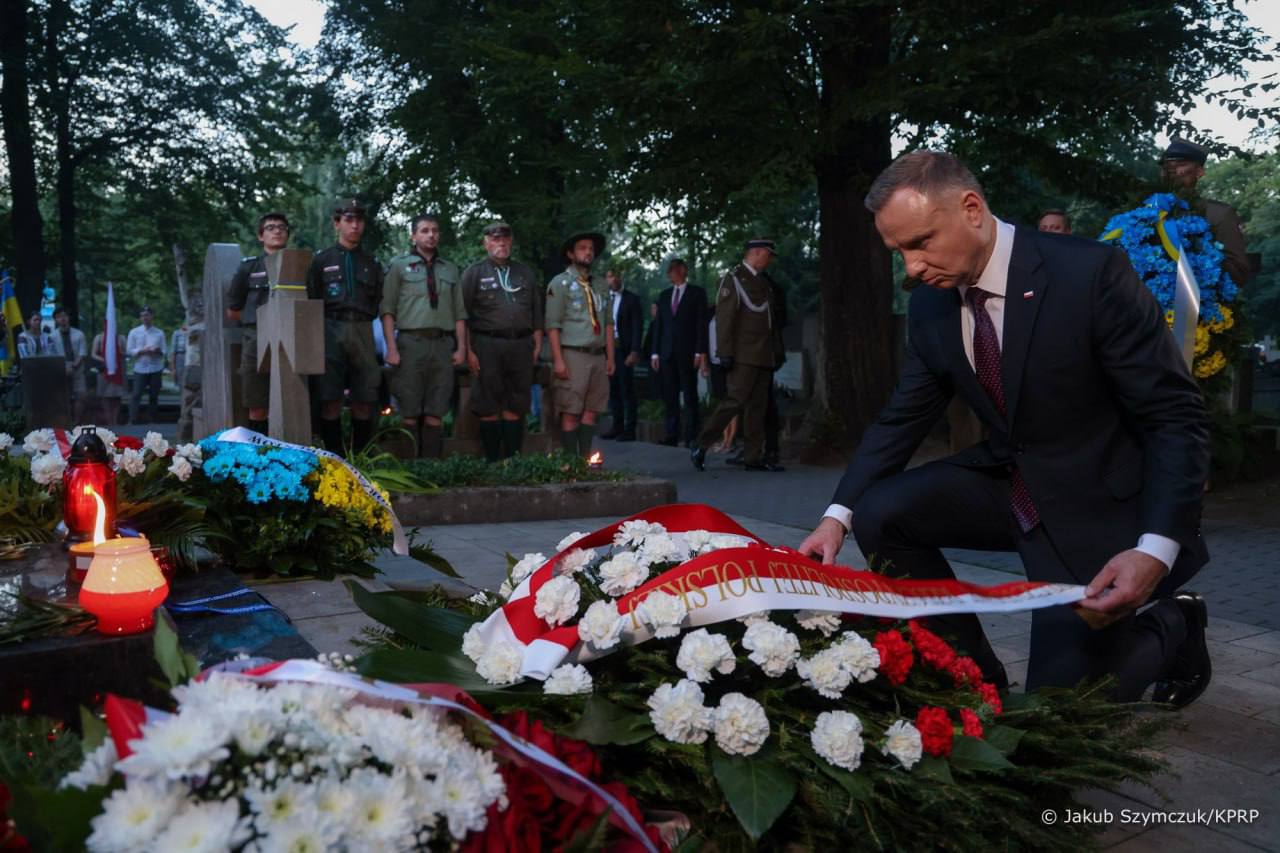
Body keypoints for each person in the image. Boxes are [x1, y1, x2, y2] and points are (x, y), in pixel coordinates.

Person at [797, 151, 1211, 707]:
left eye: (920, 243)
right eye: (900, 253)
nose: (912, 269)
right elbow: (902, 418)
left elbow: (1174, 418)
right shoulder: (931, 307)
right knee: (880, 511)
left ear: (971, 209)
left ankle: (1175, 625)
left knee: (1055, 719)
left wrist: (1154, 551)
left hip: (1096, 503)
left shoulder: (1088, 274)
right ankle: (973, 681)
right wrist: (834, 519)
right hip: (1010, 486)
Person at [691, 239, 785, 472]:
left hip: (764, 355)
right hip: (743, 354)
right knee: (734, 401)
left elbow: (769, 322)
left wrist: (776, 352)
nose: (770, 260)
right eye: (768, 255)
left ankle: (753, 456)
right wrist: (724, 353)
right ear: (757, 252)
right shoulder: (733, 279)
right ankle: (701, 444)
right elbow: (725, 320)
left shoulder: (763, 282)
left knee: (757, 407)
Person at [381, 214, 467, 458]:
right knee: (409, 409)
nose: (431, 235)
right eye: (425, 230)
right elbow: (387, 310)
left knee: (436, 409)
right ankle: (410, 467)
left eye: (435, 230)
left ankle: (432, 468)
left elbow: (459, 312)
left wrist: (461, 347)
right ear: (414, 235)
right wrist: (391, 348)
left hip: (442, 343)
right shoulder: (399, 267)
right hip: (410, 343)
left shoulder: (449, 268)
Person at [460, 221, 544, 461]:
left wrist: (537, 344)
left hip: (521, 345)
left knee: (516, 404)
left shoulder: (525, 272)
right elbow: (463, 315)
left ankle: (513, 463)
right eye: (495, 239)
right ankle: (493, 463)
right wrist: (468, 351)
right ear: (486, 243)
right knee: (488, 404)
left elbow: (537, 313)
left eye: (505, 239)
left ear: (511, 242)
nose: (501, 243)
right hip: (486, 345)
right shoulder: (474, 273)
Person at [307, 199, 384, 455]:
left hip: (362, 328)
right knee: (329, 398)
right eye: (349, 220)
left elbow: (378, 300)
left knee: (365, 397)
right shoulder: (321, 261)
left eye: (359, 221)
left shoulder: (371, 262)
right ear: (337, 224)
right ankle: (333, 456)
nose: (355, 226)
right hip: (329, 328)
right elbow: (312, 298)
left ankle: (361, 457)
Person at [545, 231, 615, 458]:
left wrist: (611, 357)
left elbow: (608, 324)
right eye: (583, 248)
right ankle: (570, 462)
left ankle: (584, 461)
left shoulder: (601, 285)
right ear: (571, 253)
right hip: (573, 354)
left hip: (597, 354)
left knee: (592, 410)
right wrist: (558, 360)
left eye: (591, 249)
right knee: (571, 410)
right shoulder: (560, 283)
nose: (588, 252)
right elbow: (553, 325)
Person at [228, 212, 291, 434]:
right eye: (271, 227)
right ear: (260, 236)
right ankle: (260, 457)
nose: (277, 231)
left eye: (282, 227)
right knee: (257, 402)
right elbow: (233, 309)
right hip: (256, 338)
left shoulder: (300, 266)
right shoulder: (249, 268)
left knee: (292, 400)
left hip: (292, 338)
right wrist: (256, 324)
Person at [1160, 137, 1251, 287]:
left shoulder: (1219, 214)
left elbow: (1239, 274)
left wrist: (1200, 254)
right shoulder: (1145, 212)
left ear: (1200, 171)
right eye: (1166, 165)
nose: (1172, 170)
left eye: (1181, 164)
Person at [649, 258, 708, 447]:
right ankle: (671, 434)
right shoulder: (664, 296)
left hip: (688, 352)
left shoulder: (697, 294)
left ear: (683, 270)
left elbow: (701, 324)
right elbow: (658, 325)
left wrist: (700, 351)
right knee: (670, 395)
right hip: (666, 353)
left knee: (690, 395)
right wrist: (655, 353)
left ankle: (692, 436)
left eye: (673, 270)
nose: (669, 274)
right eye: (669, 270)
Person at [601, 268, 643, 441]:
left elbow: (637, 327)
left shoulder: (632, 299)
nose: (613, 279)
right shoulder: (603, 300)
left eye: (616, 275)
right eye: (610, 276)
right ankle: (616, 426)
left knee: (627, 389)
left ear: (621, 277)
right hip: (608, 350)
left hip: (625, 350)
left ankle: (630, 429)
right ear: (606, 280)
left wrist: (634, 351)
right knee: (613, 389)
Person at [127, 306, 166, 424]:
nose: (145, 318)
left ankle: (153, 420)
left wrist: (156, 350)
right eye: (143, 315)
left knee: (154, 395)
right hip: (140, 367)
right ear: (140, 317)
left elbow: (164, 351)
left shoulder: (159, 333)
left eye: (147, 315)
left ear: (152, 316)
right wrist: (141, 351)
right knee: (136, 394)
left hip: (155, 367)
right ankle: (132, 419)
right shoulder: (134, 332)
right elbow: (129, 350)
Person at [49, 308, 88, 422]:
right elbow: (51, 354)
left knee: (81, 395)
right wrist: (63, 368)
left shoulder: (79, 334)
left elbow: (83, 352)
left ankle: (77, 421)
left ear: (68, 318)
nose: (63, 319)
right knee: (61, 397)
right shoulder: (51, 336)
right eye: (59, 317)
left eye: (64, 316)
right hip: (60, 369)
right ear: (56, 319)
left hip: (77, 367)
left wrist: (74, 366)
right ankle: (64, 421)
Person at [90, 328, 127, 425]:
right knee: (105, 396)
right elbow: (93, 354)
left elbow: (125, 353)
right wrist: (105, 359)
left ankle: (115, 420)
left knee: (117, 396)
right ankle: (108, 419)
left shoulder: (121, 338)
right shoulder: (99, 337)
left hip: (118, 370)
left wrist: (117, 354)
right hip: (104, 369)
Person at [177, 311, 203, 443]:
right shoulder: (193, 327)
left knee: (191, 409)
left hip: (201, 365)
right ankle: (184, 443)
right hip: (194, 366)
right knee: (189, 410)